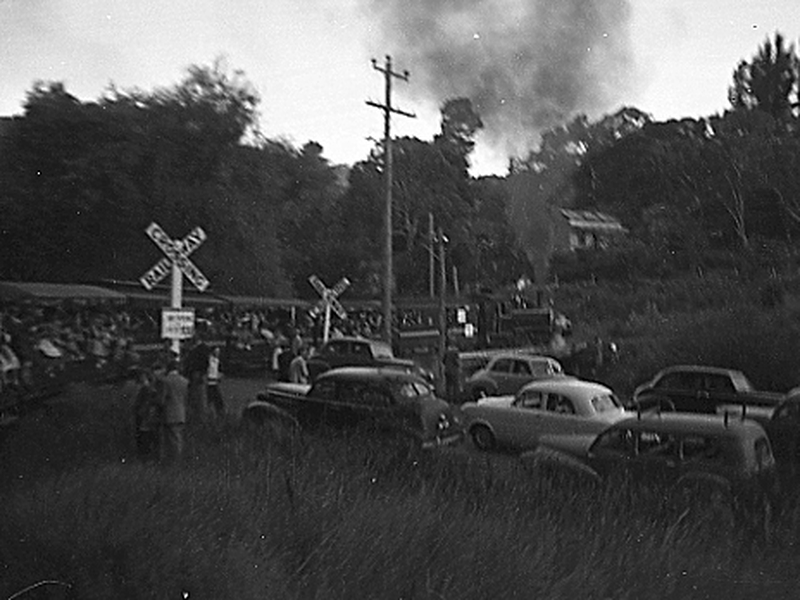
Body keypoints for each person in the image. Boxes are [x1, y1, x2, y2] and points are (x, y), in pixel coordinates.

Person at [158, 355, 188, 464]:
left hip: (169, 413)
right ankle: (178, 459)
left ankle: (173, 461)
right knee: (178, 438)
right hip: (181, 412)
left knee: (170, 440)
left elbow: (162, 399)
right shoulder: (184, 381)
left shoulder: (165, 381)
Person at [132, 366, 161, 462]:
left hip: (146, 414)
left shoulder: (146, 388)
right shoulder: (148, 387)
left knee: (145, 435)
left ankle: (146, 456)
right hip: (144, 413)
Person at [184, 335, 210, 421]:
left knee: (199, 397)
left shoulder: (201, 349)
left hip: (197, 374)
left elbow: (204, 363)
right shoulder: (197, 349)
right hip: (194, 375)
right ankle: (197, 416)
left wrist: (201, 374)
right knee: (195, 397)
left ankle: (200, 417)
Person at [206, 346, 225, 417]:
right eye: (216, 351)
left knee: (218, 399)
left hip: (215, 382)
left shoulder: (217, 361)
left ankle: (219, 413)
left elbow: (220, 371)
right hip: (209, 382)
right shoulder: (209, 360)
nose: (218, 353)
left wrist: (220, 376)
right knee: (209, 399)